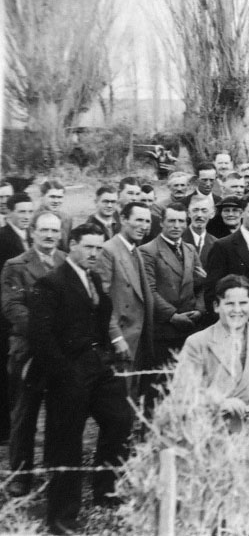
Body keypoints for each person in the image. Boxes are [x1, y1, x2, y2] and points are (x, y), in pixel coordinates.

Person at [29, 223, 134, 534]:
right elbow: (41, 337)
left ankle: (106, 490)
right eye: (88, 246)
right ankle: (61, 515)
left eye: (99, 248)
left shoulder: (93, 278)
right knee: (66, 440)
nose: (94, 253)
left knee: (120, 419)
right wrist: (64, 373)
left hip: (97, 365)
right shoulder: (51, 284)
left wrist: (104, 354)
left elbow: (99, 318)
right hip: (67, 370)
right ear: (72, 245)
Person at [174, 275, 249, 520]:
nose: (237, 310)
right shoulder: (198, 342)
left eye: (243, 303)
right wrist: (219, 402)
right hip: (213, 437)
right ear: (216, 306)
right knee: (215, 513)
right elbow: (183, 390)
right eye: (229, 304)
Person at [1, 210, 65, 496]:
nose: (49, 235)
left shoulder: (66, 261)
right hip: (28, 350)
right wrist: (46, 331)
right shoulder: (16, 265)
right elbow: (12, 307)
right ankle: (20, 475)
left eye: (54, 230)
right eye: (44, 230)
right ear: (33, 232)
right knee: (24, 414)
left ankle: (54, 469)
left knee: (59, 412)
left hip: (60, 352)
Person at [138, 202, 205, 399]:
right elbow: (149, 291)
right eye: (171, 221)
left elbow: (201, 285)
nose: (176, 226)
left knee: (190, 386)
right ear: (162, 223)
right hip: (164, 331)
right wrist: (173, 316)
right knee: (163, 386)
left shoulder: (190, 249)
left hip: (191, 327)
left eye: (181, 221)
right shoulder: (148, 251)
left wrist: (200, 309)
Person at [95, 201, 155, 397]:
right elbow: (101, 300)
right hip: (121, 339)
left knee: (132, 395)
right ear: (123, 219)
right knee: (119, 398)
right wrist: (116, 337)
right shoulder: (108, 250)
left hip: (137, 337)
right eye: (138, 220)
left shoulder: (135, 250)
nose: (143, 226)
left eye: (147, 221)